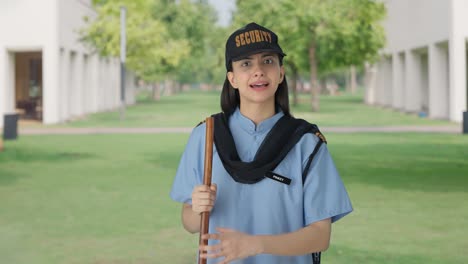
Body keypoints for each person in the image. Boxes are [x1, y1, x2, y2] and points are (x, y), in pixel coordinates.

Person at [170, 22, 353, 264]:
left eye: (268, 61)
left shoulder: (306, 144)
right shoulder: (206, 136)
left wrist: (255, 244)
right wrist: (196, 207)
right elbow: (190, 224)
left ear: (280, 73)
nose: (258, 71)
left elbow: (320, 236)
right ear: (232, 78)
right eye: (246, 64)